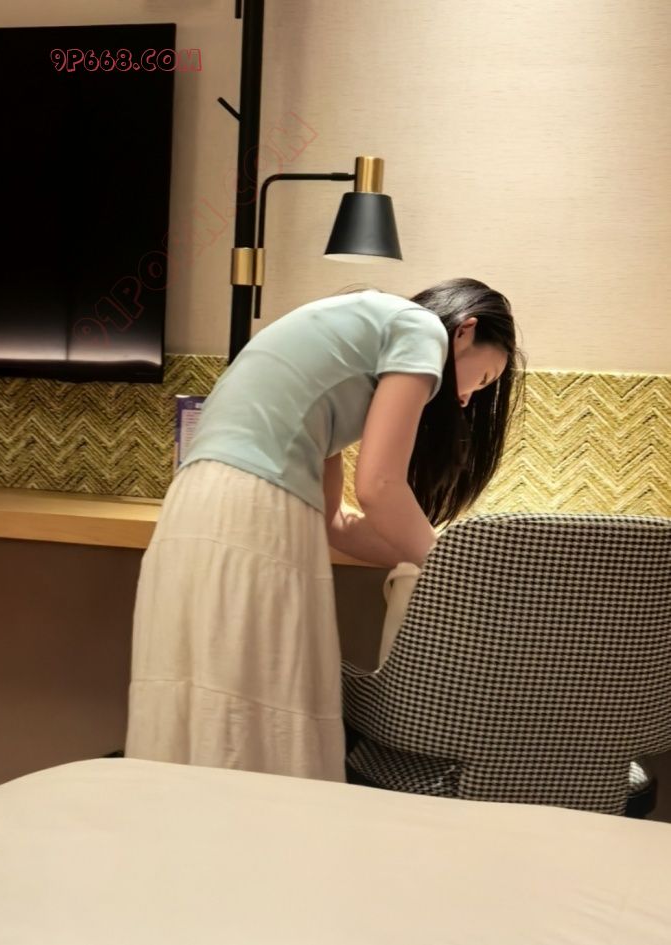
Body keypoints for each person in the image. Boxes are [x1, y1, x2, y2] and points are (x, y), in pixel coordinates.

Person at [125, 278, 524, 782]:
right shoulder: (422, 329)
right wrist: (455, 569)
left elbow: (336, 523)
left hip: (198, 504)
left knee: (205, 697)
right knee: (261, 702)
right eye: (481, 379)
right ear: (464, 331)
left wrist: (426, 553)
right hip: (255, 508)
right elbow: (379, 486)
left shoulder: (348, 343)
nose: (466, 399)